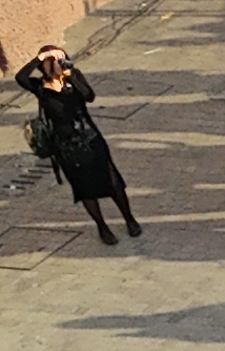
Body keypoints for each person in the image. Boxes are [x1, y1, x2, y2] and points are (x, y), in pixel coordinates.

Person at [13, 47, 140, 246]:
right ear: (43, 65)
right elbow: (20, 77)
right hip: (64, 146)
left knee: (112, 180)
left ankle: (129, 219)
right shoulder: (39, 86)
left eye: (58, 59)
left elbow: (89, 96)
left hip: (90, 138)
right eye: (50, 61)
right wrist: (39, 57)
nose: (54, 63)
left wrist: (69, 76)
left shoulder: (73, 77)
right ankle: (102, 226)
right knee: (84, 188)